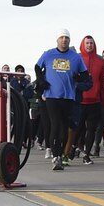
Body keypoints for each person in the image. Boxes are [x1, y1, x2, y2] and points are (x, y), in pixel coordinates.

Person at [34, 30, 89, 171]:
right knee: (55, 125)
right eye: (62, 37)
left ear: (69, 41)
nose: (64, 40)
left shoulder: (75, 57)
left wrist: (78, 78)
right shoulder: (49, 54)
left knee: (65, 129)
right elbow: (37, 67)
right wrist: (41, 81)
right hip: (52, 95)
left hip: (68, 96)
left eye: (66, 38)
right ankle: (56, 156)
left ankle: (60, 152)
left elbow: (84, 73)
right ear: (57, 40)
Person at [75, 36, 104, 163]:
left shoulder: (100, 61)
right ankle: (73, 147)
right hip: (79, 101)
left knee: (92, 129)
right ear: (83, 44)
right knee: (78, 129)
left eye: (91, 43)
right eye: (87, 43)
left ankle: (86, 154)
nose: (89, 45)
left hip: (95, 101)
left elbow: (103, 83)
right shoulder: (77, 59)